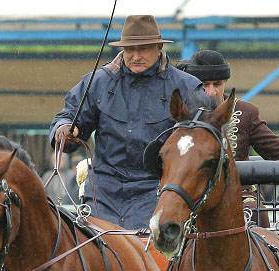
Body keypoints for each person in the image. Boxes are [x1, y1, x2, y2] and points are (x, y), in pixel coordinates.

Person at [49, 14, 206, 229]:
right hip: (103, 195)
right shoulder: (98, 82)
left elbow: (204, 143)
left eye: (143, 49)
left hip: (159, 192)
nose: (135, 56)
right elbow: (67, 116)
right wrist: (64, 130)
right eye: (130, 50)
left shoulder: (187, 88)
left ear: (159, 47)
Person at [175, 50, 279, 213]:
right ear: (193, 83)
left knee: (254, 213)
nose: (211, 92)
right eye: (204, 84)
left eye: (216, 84)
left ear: (226, 81)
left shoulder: (245, 112)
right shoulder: (178, 113)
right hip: (191, 196)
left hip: (240, 196)